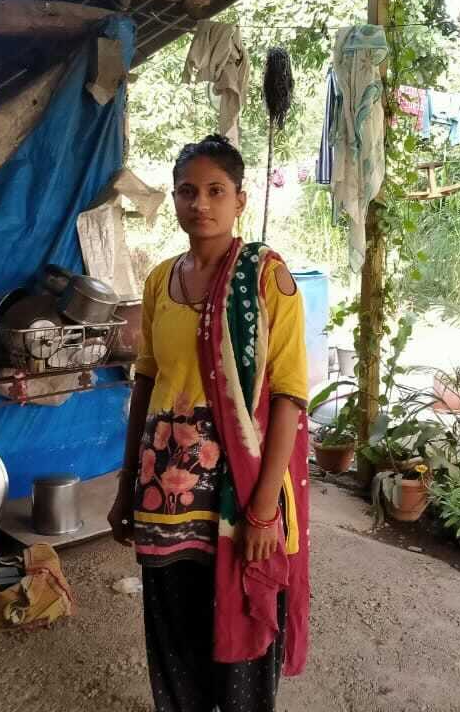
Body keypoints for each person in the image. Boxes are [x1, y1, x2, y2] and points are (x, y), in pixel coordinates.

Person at [107, 134, 311, 712]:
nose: (200, 203)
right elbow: (146, 385)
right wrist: (126, 485)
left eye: (216, 190)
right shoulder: (159, 281)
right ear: (174, 198)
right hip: (163, 494)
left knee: (242, 629)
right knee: (173, 637)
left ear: (240, 200)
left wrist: (263, 509)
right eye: (187, 191)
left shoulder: (266, 279)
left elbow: (289, 397)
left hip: (237, 494)